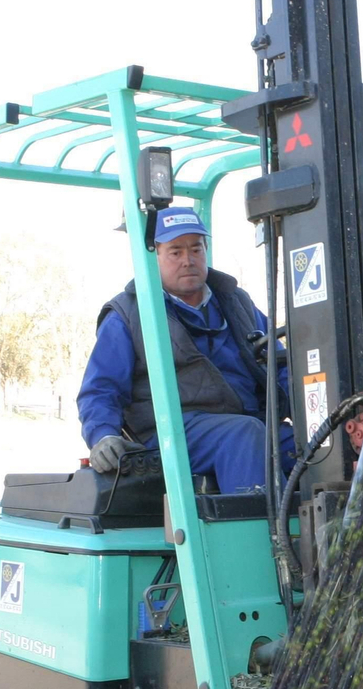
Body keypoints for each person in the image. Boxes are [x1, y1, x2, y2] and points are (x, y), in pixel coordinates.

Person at [78, 208, 297, 494]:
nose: (188, 260)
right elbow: (101, 388)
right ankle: (264, 524)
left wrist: (317, 416)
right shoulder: (129, 314)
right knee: (243, 435)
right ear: (153, 256)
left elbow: (280, 365)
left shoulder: (235, 302)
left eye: (195, 249)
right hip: (173, 433)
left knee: (319, 445)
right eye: (175, 252)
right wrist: (102, 434)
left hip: (250, 424)